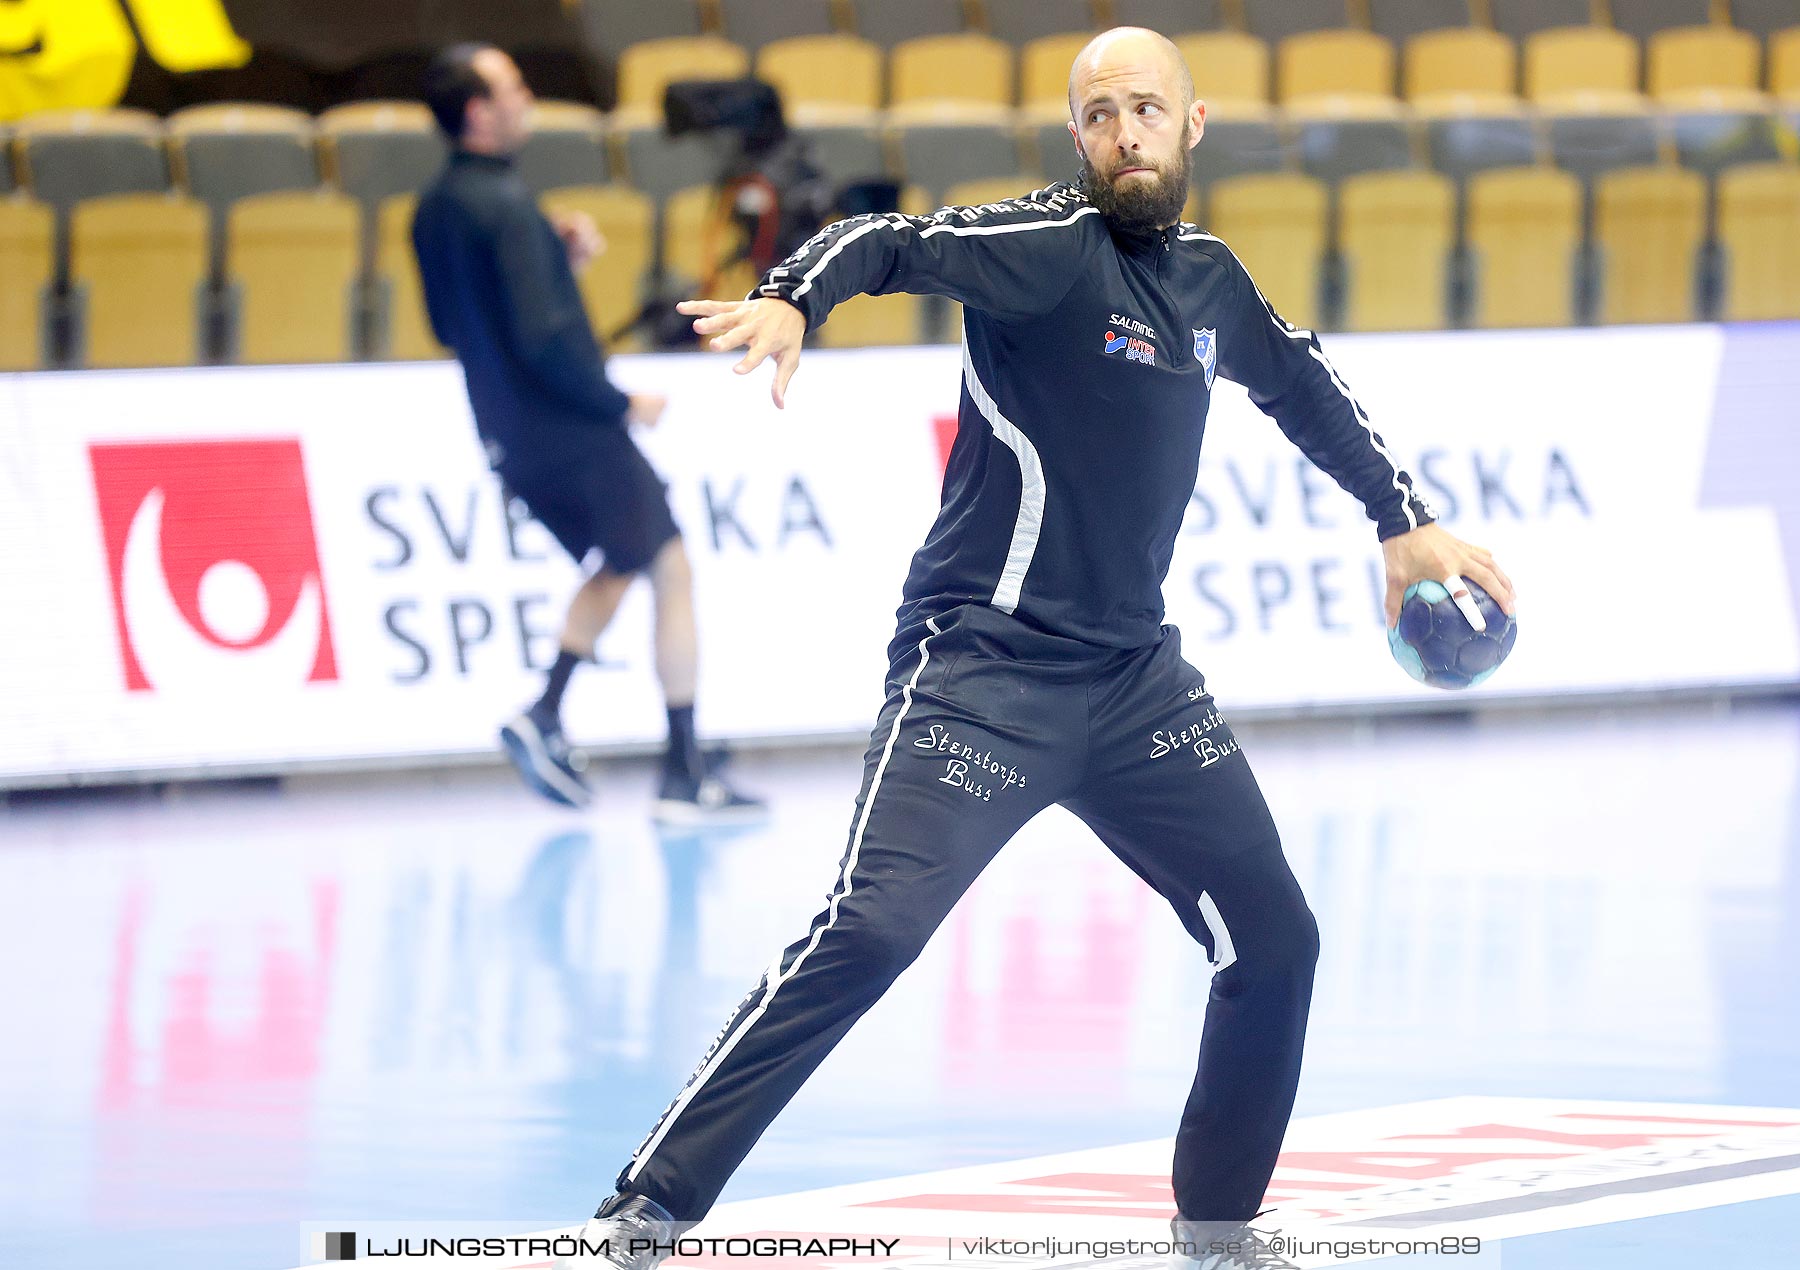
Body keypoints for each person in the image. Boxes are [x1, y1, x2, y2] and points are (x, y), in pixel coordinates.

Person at [563, 27, 1516, 1270]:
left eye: (1149, 110)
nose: (1127, 133)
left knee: (1275, 941)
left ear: (1193, 125)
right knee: (872, 930)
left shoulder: (1212, 280)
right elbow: (889, 241)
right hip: (981, 675)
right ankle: (648, 1203)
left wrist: (1402, 517)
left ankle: (1220, 1228)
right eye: (1103, 113)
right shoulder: (1045, 248)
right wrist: (795, 294)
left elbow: (1303, 381)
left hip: (1135, 684)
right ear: (1079, 137)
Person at [412, 44, 761, 822]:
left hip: (507, 429)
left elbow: (453, 322)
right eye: (513, 87)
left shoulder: (438, 208)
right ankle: (669, 770)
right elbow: (543, 340)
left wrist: (546, 254)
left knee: (634, 559)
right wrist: (617, 403)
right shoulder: (504, 204)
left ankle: (570, 722)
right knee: (666, 565)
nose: (527, 96)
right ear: (478, 111)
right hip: (569, 428)